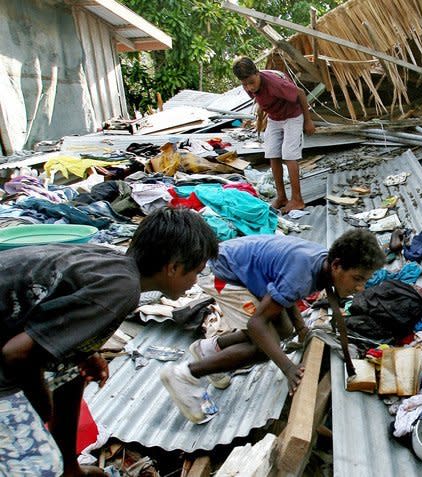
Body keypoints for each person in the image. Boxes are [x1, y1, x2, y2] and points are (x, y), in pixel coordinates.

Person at [0, 208, 219, 477]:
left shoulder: (114, 265)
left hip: (10, 333)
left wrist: (83, 352)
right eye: (196, 272)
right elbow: (15, 355)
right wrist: (41, 403)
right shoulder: (121, 289)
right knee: (41, 466)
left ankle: (70, 469)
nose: (196, 281)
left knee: (72, 374)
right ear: (173, 267)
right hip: (6, 361)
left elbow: (56, 320)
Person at [160, 230, 386, 424]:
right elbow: (256, 322)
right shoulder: (304, 273)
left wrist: (301, 330)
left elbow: (286, 293)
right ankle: (184, 374)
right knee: (264, 348)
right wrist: (288, 368)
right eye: (357, 278)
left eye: (364, 280)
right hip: (224, 274)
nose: (360, 287)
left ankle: (209, 349)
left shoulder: (321, 263)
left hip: (240, 268)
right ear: (337, 266)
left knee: (284, 332)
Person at [233, 56, 316, 213]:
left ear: (257, 73)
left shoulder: (275, 83)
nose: (249, 87)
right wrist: (260, 118)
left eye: (251, 82)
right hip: (274, 118)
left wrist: (308, 121)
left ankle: (297, 199)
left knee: (289, 155)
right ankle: (282, 197)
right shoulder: (248, 86)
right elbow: (261, 100)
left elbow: (300, 94)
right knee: (272, 153)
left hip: (292, 116)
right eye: (245, 84)